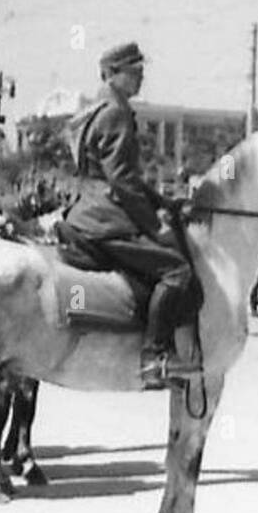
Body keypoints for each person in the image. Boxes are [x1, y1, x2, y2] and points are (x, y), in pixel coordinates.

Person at [63, 42, 202, 390]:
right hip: (104, 219)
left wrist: (165, 203)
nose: (141, 77)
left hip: (88, 210)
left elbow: (126, 175)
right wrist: (157, 226)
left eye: (141, 70)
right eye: (133, 71)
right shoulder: (115, 113)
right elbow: (122, 181)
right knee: (177, 270)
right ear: (111, 73)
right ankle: (154, 358)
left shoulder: (96, 109)